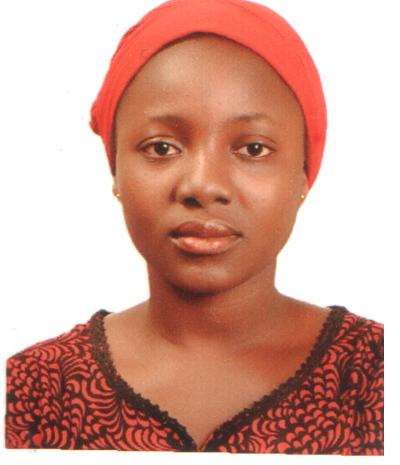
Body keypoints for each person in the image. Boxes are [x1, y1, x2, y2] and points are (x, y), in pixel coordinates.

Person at [5, 0, 383, 454]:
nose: (203, 185)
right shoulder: (33, 390)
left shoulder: (377, 375)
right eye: (161, 147)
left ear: (303, 174)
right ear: (116, 170)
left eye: (253, 149)